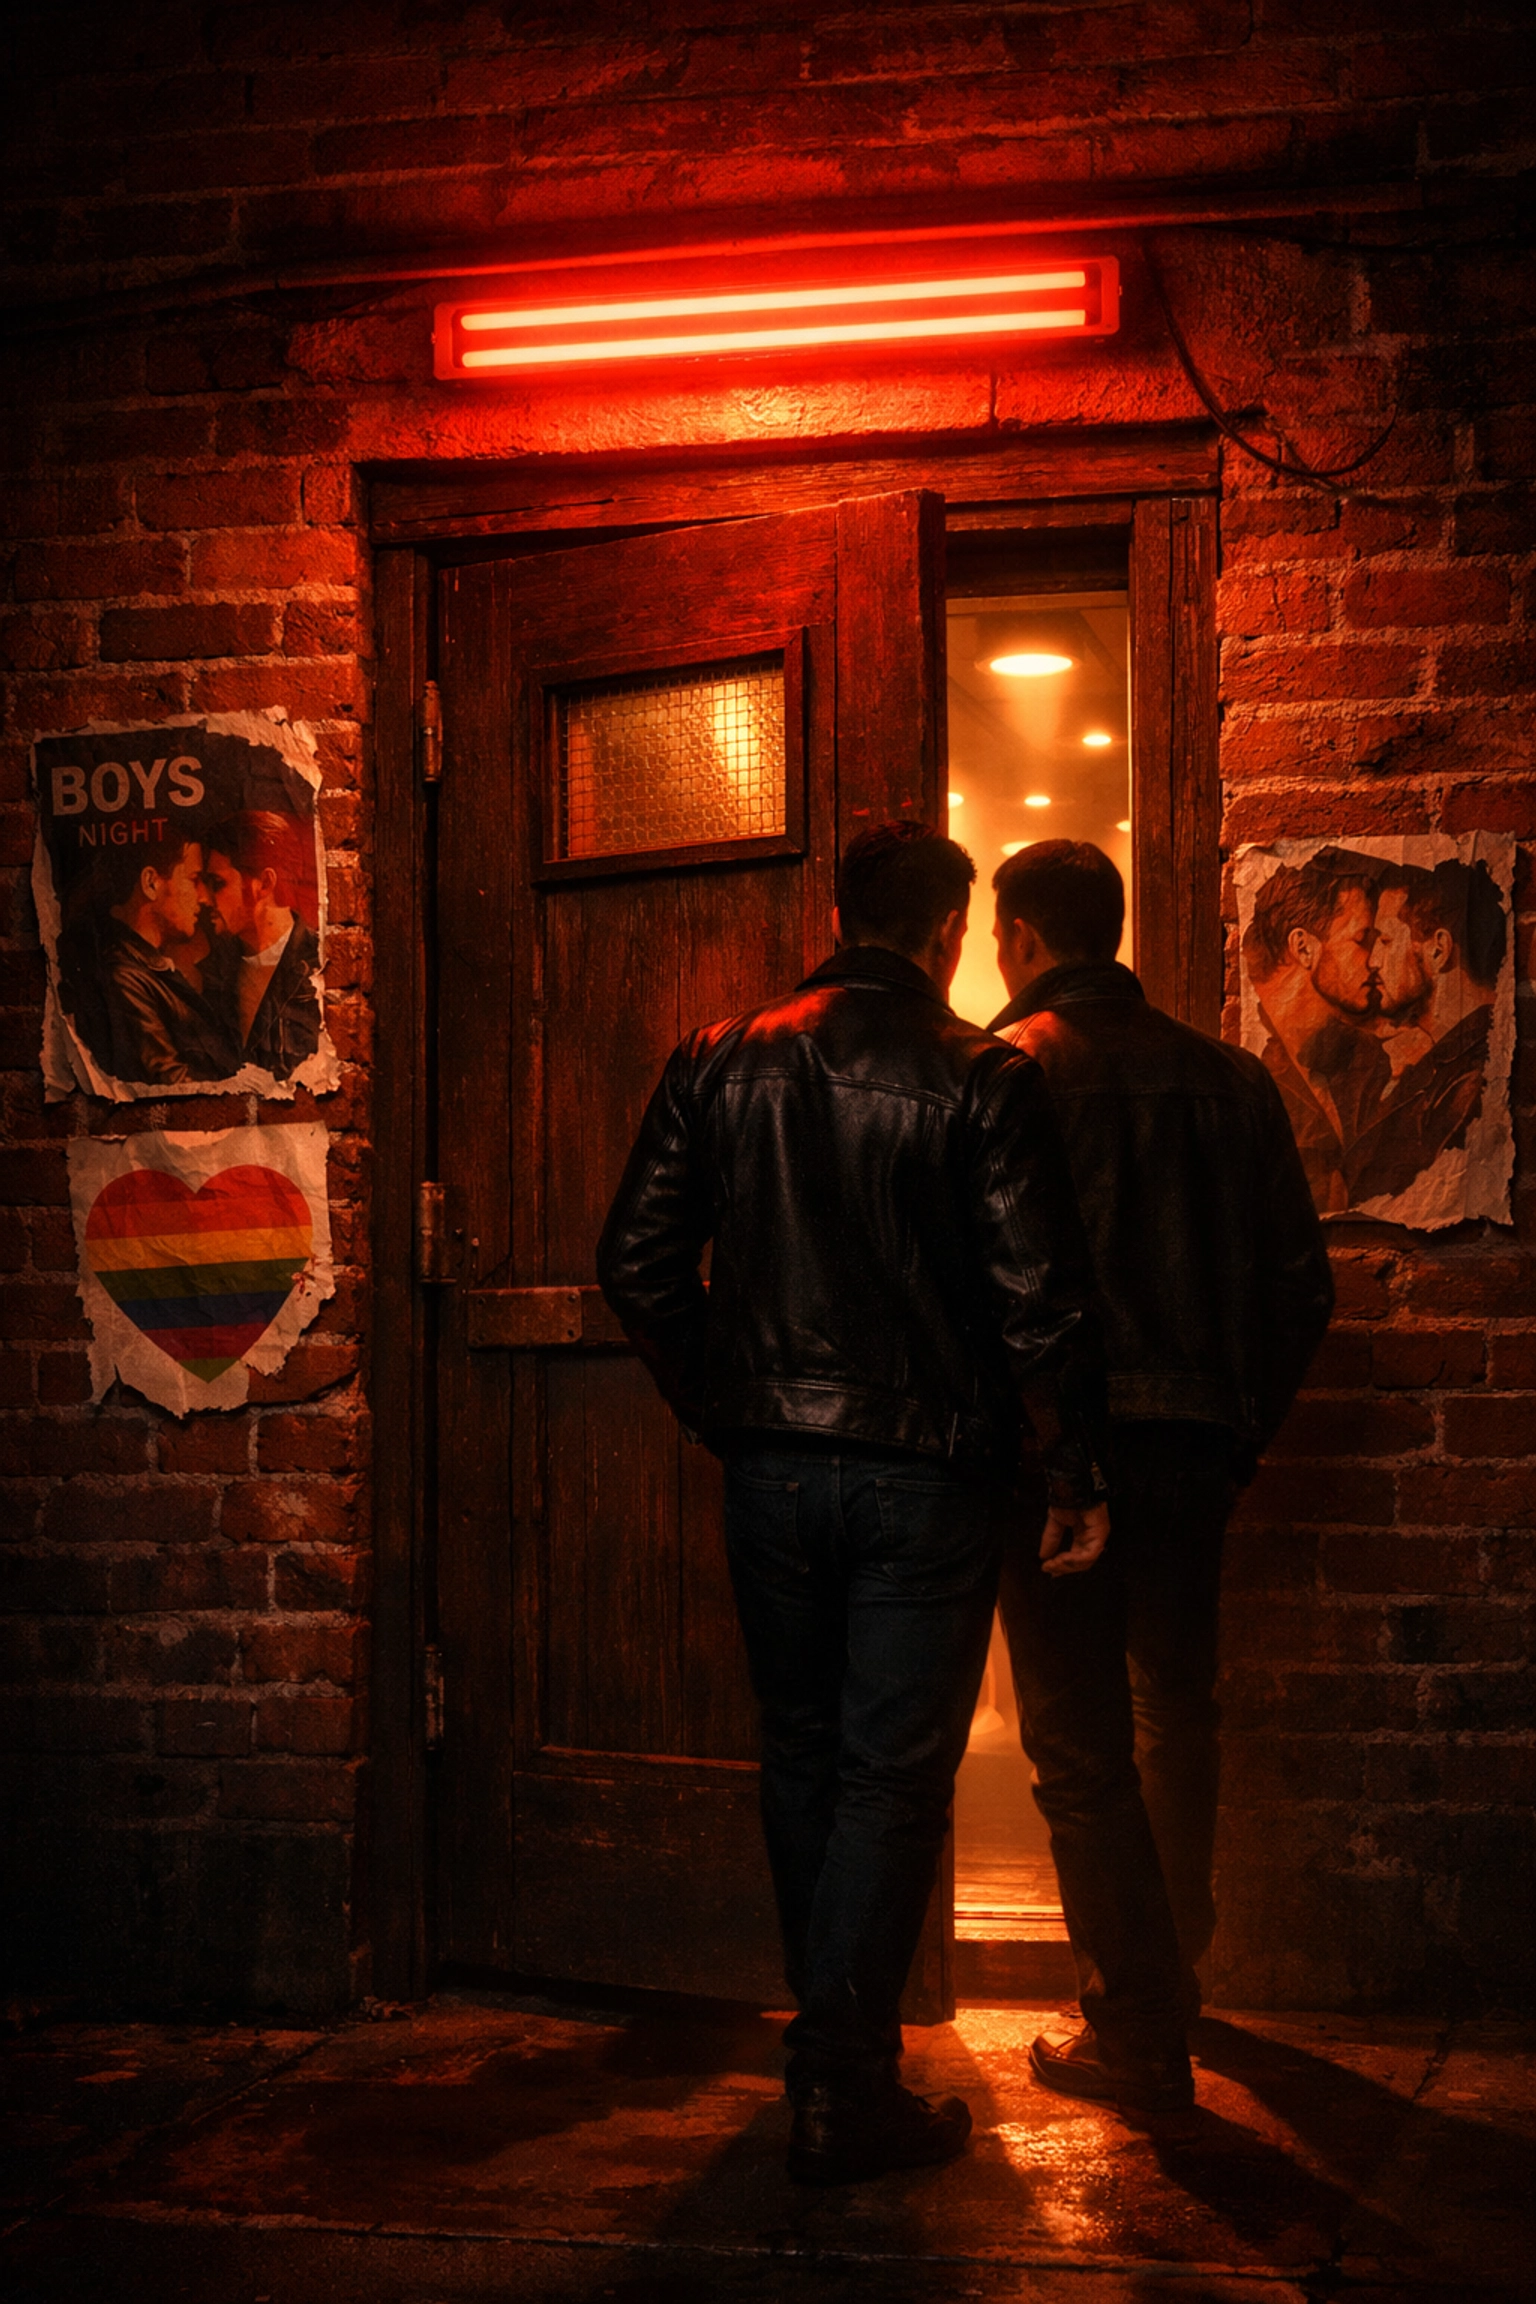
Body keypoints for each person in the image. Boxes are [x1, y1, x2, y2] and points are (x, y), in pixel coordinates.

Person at [598, 823, 1109, 2185]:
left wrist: (730, 1403)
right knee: (891, 1777)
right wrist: (1070, 1473)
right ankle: (842, 2084)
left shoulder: (720, 1056)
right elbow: (1039, 1302)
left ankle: (831, 2061)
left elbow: (636, 1262)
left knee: (803, 1755)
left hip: (770, 1468)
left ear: (841, 918)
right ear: (948, 934)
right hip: (929, 1478)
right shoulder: (983, 1075)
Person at [988, 841, 1333, 2123]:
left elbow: (989, 1288)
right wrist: (1234, 1436)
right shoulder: (1231, 1080)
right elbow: (1302, 1288)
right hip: (1192, 1442)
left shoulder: (1000, 1070)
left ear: (1022, 938)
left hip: (1053, 1452)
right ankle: (1173, 1980)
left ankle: (1135, 2027)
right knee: (1175, 1712)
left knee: (1077, 1743)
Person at [1345, 859, 1506, 1205]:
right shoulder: (1441, 1061)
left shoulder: (1474, 1077)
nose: (1373, 961)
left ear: (1438, 949)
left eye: (1386, 940)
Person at [1241, 850, 1389, 1213]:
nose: (1376, 960)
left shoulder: (1367, 1058)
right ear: (1303, 947)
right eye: (1361, 940)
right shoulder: (1250, 1065)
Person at [59, 837, 238, 1087]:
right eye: (194, 879)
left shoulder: (145, 969)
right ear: (151, 883)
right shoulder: (124, 978)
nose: (204, 897)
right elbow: (170, 1082)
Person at [200, 810, 322, 1080]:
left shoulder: (319, 963)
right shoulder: (212, 972)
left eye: (217, 884)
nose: (204, 898)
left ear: (264, 884)